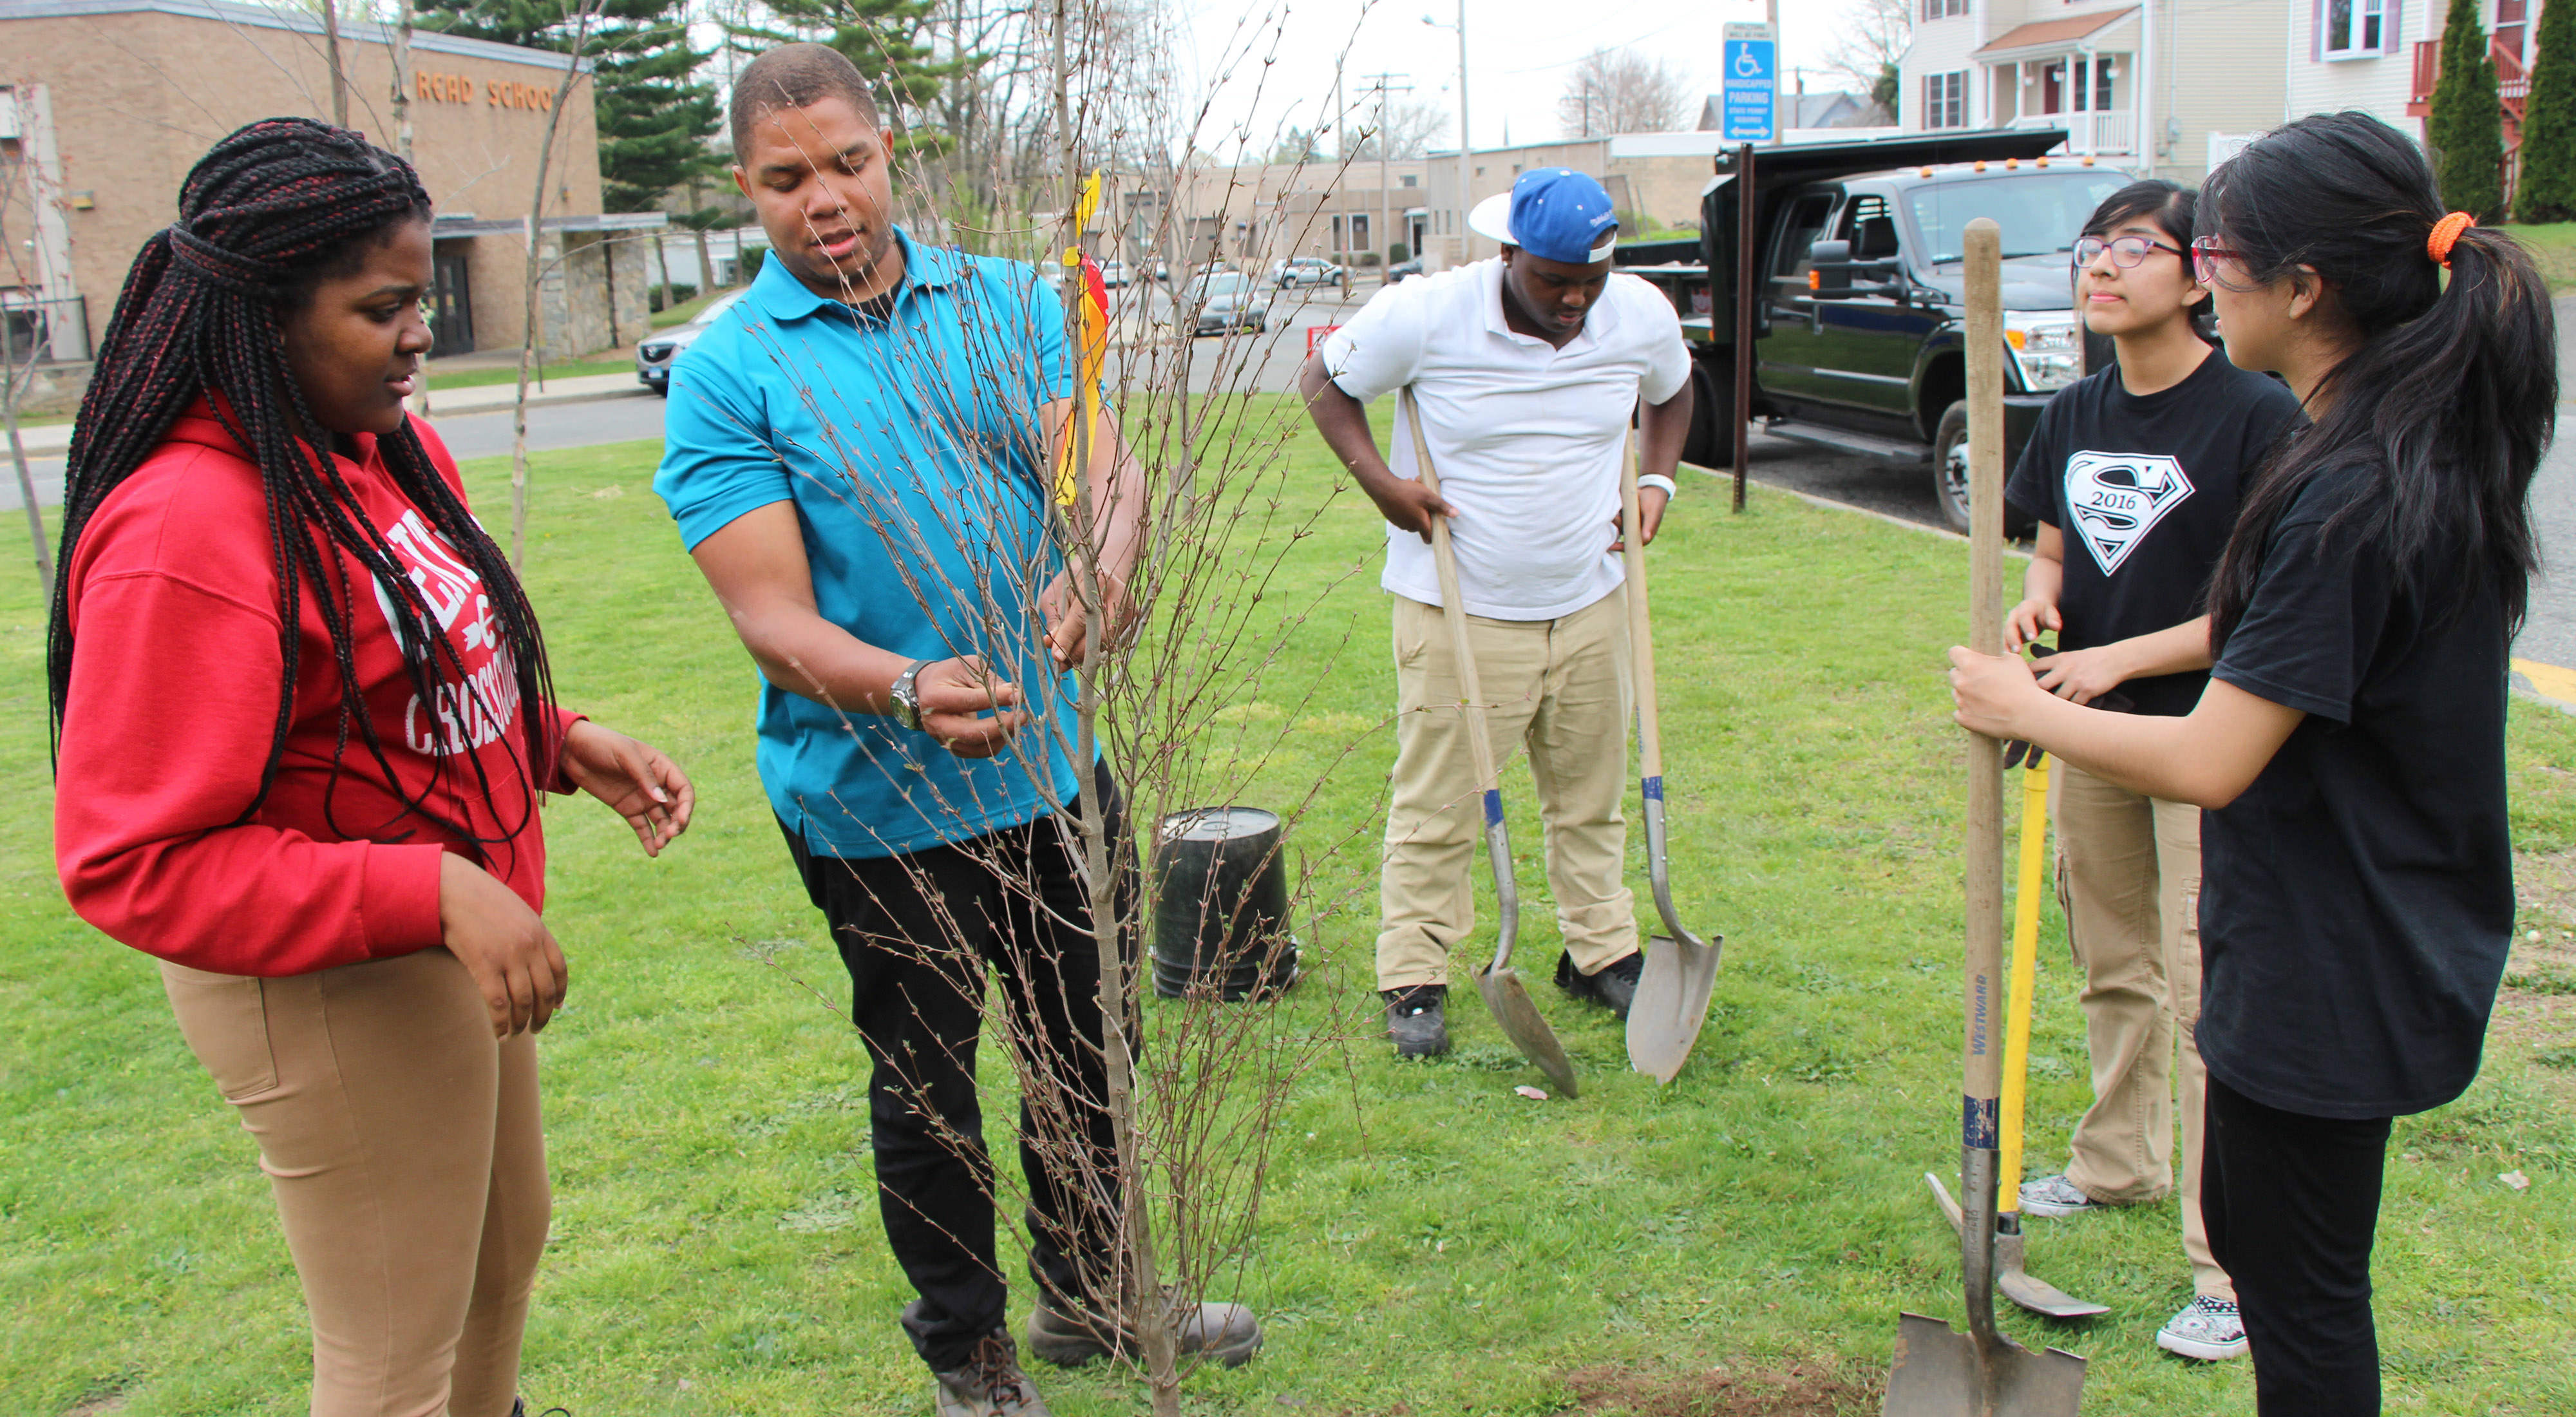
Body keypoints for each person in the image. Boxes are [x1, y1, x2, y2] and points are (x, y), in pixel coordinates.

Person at [49, 119, 694, 1417]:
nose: (418, 334)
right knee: (396, 1352)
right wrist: (435, 891)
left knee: (498, 1264)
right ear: (265, 316)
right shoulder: (189, 526)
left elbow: (402, 671)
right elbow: (132, 856)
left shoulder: (371, 444)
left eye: (419, 298)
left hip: (439, 936)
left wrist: (552, 739)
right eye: (383, 306)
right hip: (329, 975)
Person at [652, 43, 1255, 1417]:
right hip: (873, 802)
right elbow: (769, 616)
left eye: (847, 163)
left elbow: (1102, 468)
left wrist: (1103, 562)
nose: (827, 199)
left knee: (1089, 1047)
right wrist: (902, 684)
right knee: (928, 1086)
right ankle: (968, 1354)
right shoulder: (729, 372)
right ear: (746, 189)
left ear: (887, 152)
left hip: (1049, 770)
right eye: (787, 179)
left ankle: (1094, 1293)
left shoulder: (1006, 306)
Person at [1951, 110, 2552, 1413]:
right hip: (2358, 930)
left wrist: (2018, 700)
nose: (2203, 270)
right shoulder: (2391, 452)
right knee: (2302, 1282)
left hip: (2330, 960)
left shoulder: (2345, 490)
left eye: (2215, 247)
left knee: (2295, 1292)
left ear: (2299, 285)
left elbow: (2213, 756)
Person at [1999, 179, 2304, 1364]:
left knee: (2200, 989)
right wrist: (2040, 606)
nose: (2107, 266)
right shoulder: (2074, 410)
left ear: (2199, 277)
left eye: (2140, 247)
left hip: (2203, 738)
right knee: (2111, 961)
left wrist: (2109, 662)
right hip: (2093, 734)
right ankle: (2113, 1163)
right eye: (2095, 247)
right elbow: (2053, 545)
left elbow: (2260, 610)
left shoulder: (2256, 419)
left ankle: (2225, 1268)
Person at [1298, 167, 1693, 1058]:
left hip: (1591, 604)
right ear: (1509, 253)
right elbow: (1323, 381)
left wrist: (1659, 479)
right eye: (1556, 281)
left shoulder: (1636, 313)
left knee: (1591, 800)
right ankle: (1414, 975)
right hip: (1460, 609)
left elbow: (1672, 392)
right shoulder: (1428, 313)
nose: (1575, 301)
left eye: (1590, 282)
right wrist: (1385, 487)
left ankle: (1600, 953)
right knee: (1439, 804)